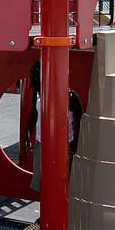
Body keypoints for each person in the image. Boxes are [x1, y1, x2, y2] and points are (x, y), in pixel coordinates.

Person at [27, 60, 83, 194]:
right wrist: (28, 134)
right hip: (42, 143)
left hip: (63, 144)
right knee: (41, 181)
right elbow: (34, 113)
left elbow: (80, 120)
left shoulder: (70, 97)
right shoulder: (40, 95)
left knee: (60, 181)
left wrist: (75, 145)